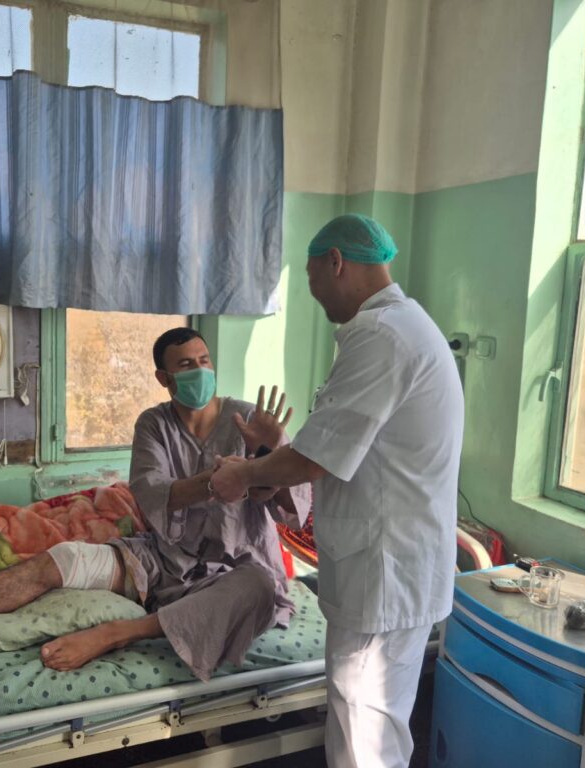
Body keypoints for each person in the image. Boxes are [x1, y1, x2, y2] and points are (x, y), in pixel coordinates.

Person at [210, 213, 464, 768]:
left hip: (384, 573)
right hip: (389, 566)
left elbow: (316, 459)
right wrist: (273, 452)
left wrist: (244, 473)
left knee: (364, 736)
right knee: (372, 728)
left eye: (311, 278)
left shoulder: (381, 335)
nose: (314, 292)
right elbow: (344, 445)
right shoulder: (402, 326)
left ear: (336, 262)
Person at [0, 328, 311, 680]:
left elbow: (292, 509)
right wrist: (216, 482)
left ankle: (120, 633)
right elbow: (154, 493)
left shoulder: (251, 421)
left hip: (239, 567)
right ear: (163, 378)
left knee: (258, 588)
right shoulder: (154, 424)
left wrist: (269, 457)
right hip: (164, 561)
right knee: (65, 557)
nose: (200, 371)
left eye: (204, 361)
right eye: (186, 365)